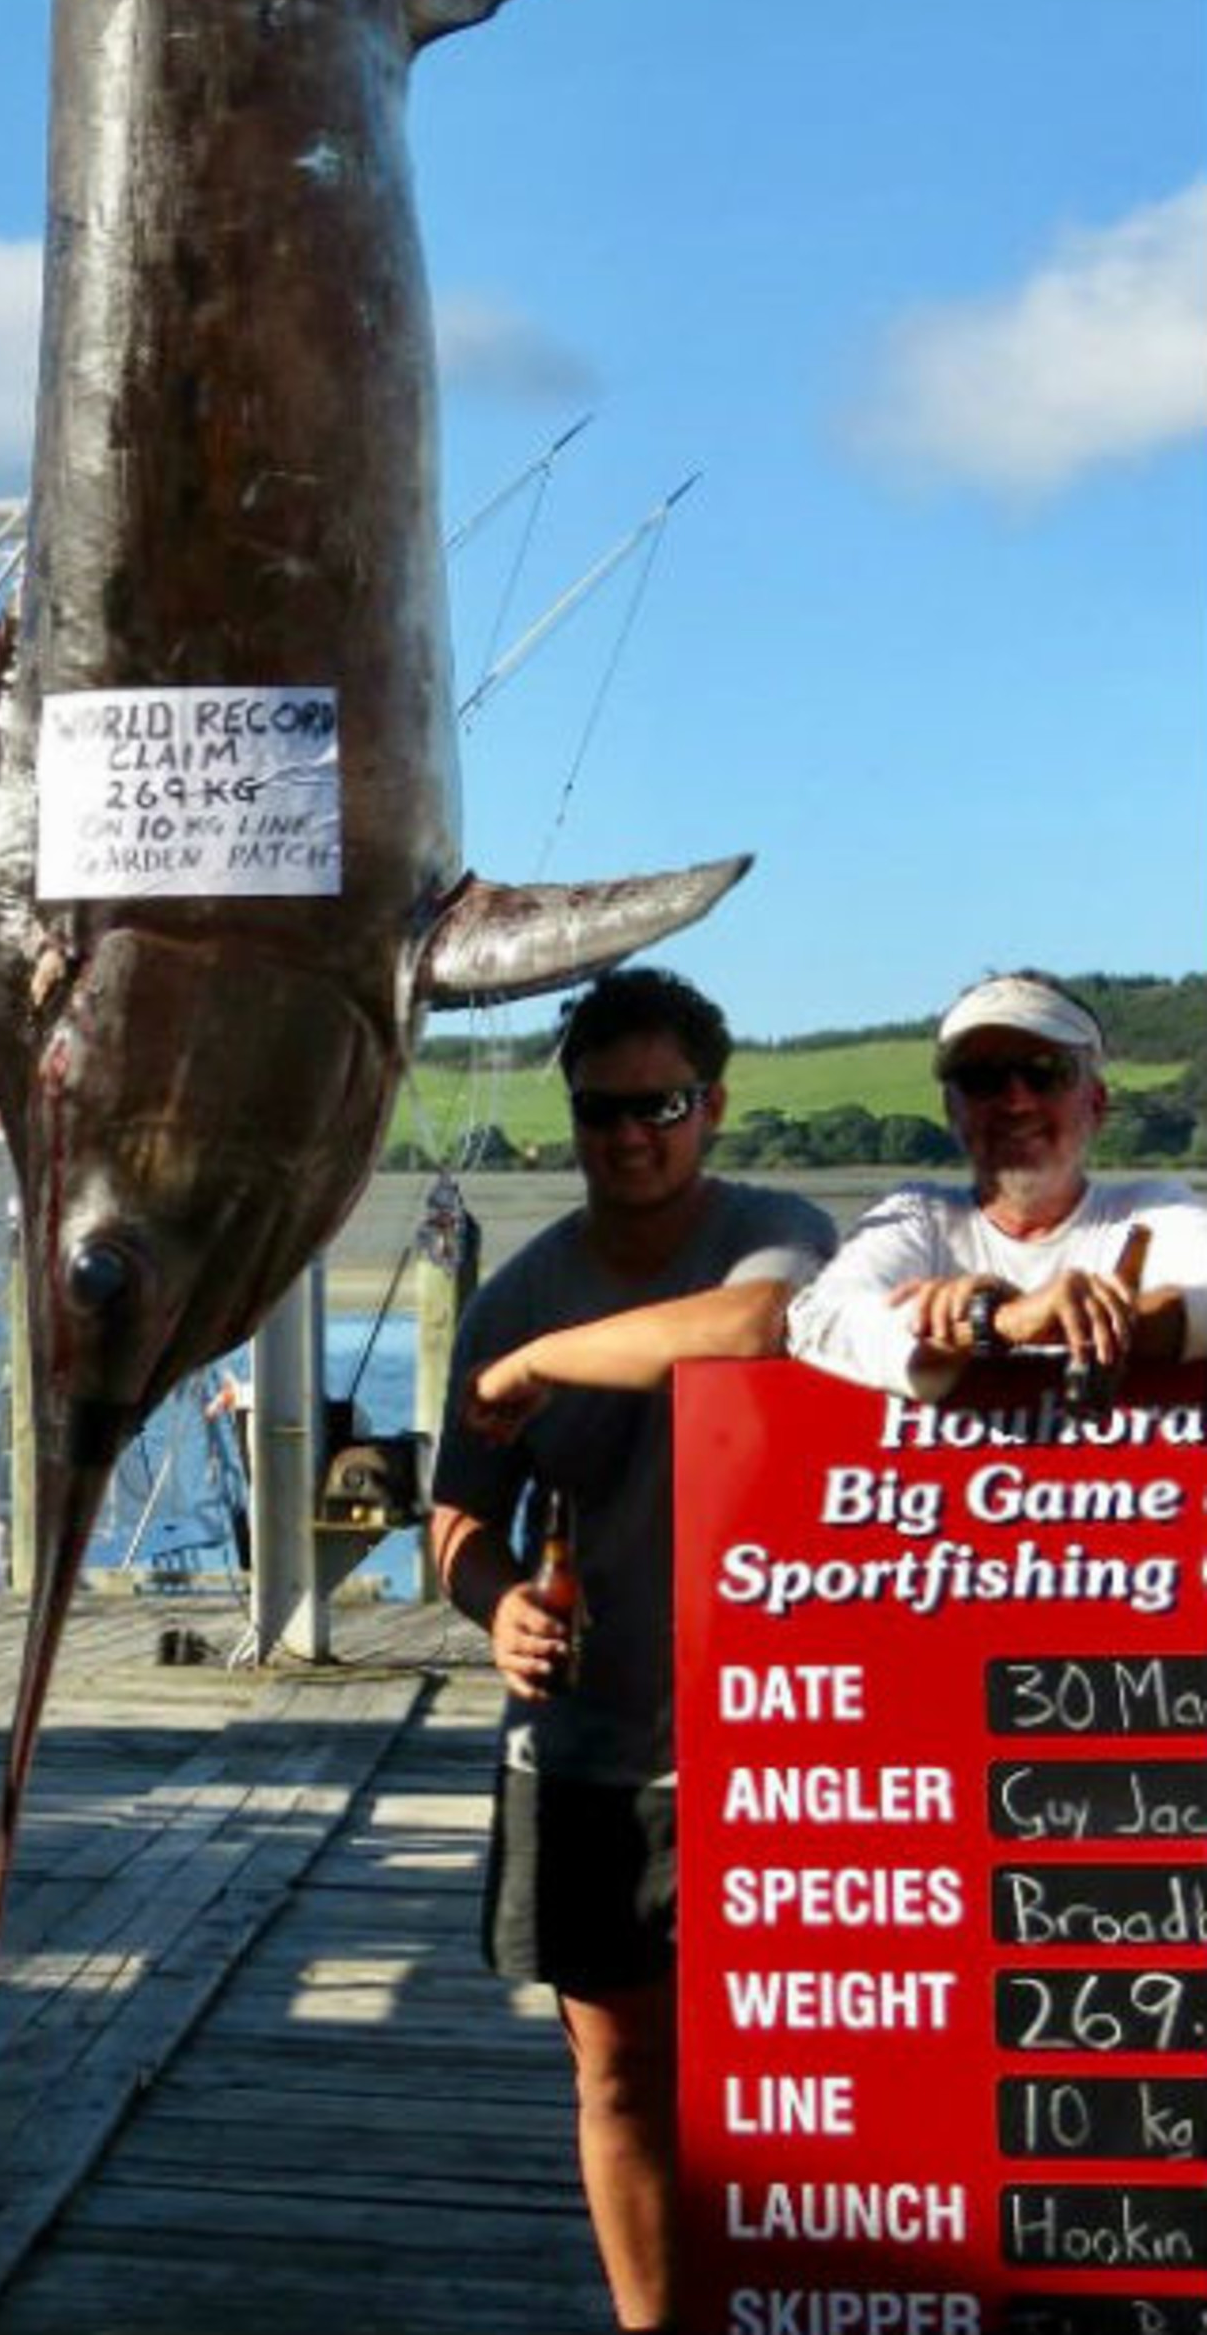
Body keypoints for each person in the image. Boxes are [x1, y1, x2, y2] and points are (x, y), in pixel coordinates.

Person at [428, 966, 835, 2335]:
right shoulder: (510, 1295)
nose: (629, 1136)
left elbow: (759, 1331)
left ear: (709, 1106)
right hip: (589, 1750)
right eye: (601, 1110)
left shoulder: (774, 1232)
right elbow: (453, 1520)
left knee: (785, 2076)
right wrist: (493, 1606)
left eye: (659, 1105)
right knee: (614, 2076)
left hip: (780, 1745)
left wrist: (542, 1366)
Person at [786, 969, 1207, 1394]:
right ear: (951, 1109)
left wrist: (1099, 1318)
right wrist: (998, 1321)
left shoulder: (1156, 1211)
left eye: (1044, 1072)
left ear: (1096, 1103)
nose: (1016, 1101)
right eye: (981, 1078)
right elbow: (817, 1319)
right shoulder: (917, 1216)